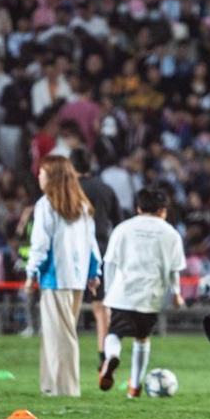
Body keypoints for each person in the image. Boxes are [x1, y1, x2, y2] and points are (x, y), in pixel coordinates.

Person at [24, 155, 100, 397]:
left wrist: (30, 273)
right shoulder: (83, 207)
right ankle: (49, 385)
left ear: (53, 177)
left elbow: (40, 244)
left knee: (60, 335)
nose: (39, 176)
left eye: (43, 172)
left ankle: (66, 388)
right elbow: (91, 245)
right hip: (76, 279)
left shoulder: (46, 205)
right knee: (56, 333)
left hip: (54, 278)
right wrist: (93, 273)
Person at [99, 187, 186, 399]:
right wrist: (176, 293)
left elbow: (110, 262)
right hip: (151, 295)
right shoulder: (171, 234)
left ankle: (111, 356)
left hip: (122, 292)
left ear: (138, 208)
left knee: (114, 333)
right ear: (163, 210)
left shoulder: (123, 229)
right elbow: (174, 269)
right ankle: (134, 387)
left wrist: (108, 293)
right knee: (142, 338)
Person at [70, 148, 122, 369]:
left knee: (71, 303)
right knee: (101, 306)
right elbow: (118, 222)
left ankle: (69, 354)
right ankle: (104, 356)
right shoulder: (105, 189)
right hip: (101, 248)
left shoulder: (69, 190)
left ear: (71, 168)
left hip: (73, 249)